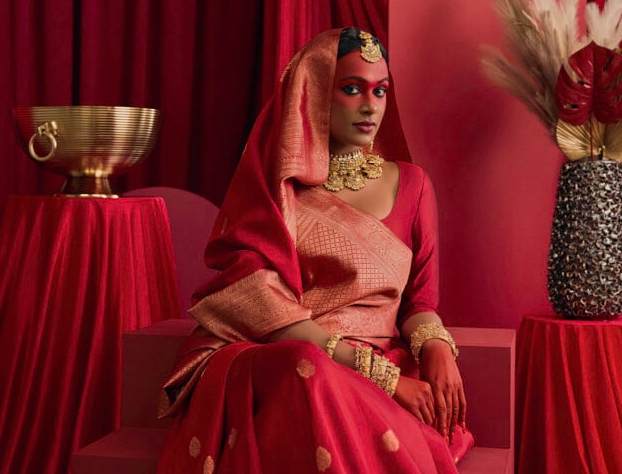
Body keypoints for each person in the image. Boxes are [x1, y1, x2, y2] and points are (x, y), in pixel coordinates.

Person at [157, 28, 472, 473]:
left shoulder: (414, 185)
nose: (370, 106)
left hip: (383, 354)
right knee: (307, 367)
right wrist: (383, 379)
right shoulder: (278, 189)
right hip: (294, 354)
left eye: (380, 91)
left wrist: (437, 347)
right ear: (315, 92)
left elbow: (419, 301)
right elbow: (254, 295)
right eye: (351, 89)